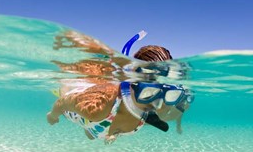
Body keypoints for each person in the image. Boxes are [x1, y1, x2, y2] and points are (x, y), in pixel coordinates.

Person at [47, 30, 194, 144]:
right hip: (75, 103)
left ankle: (107, 130)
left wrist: (115, 133)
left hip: (101, 124)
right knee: (71, 104)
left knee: (91, 135)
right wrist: (52, 115)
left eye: (167, 94)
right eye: (150, 92)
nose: (160, 103)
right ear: (133, 82)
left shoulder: (149, 108)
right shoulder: (99, 107)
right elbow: (63, 103)